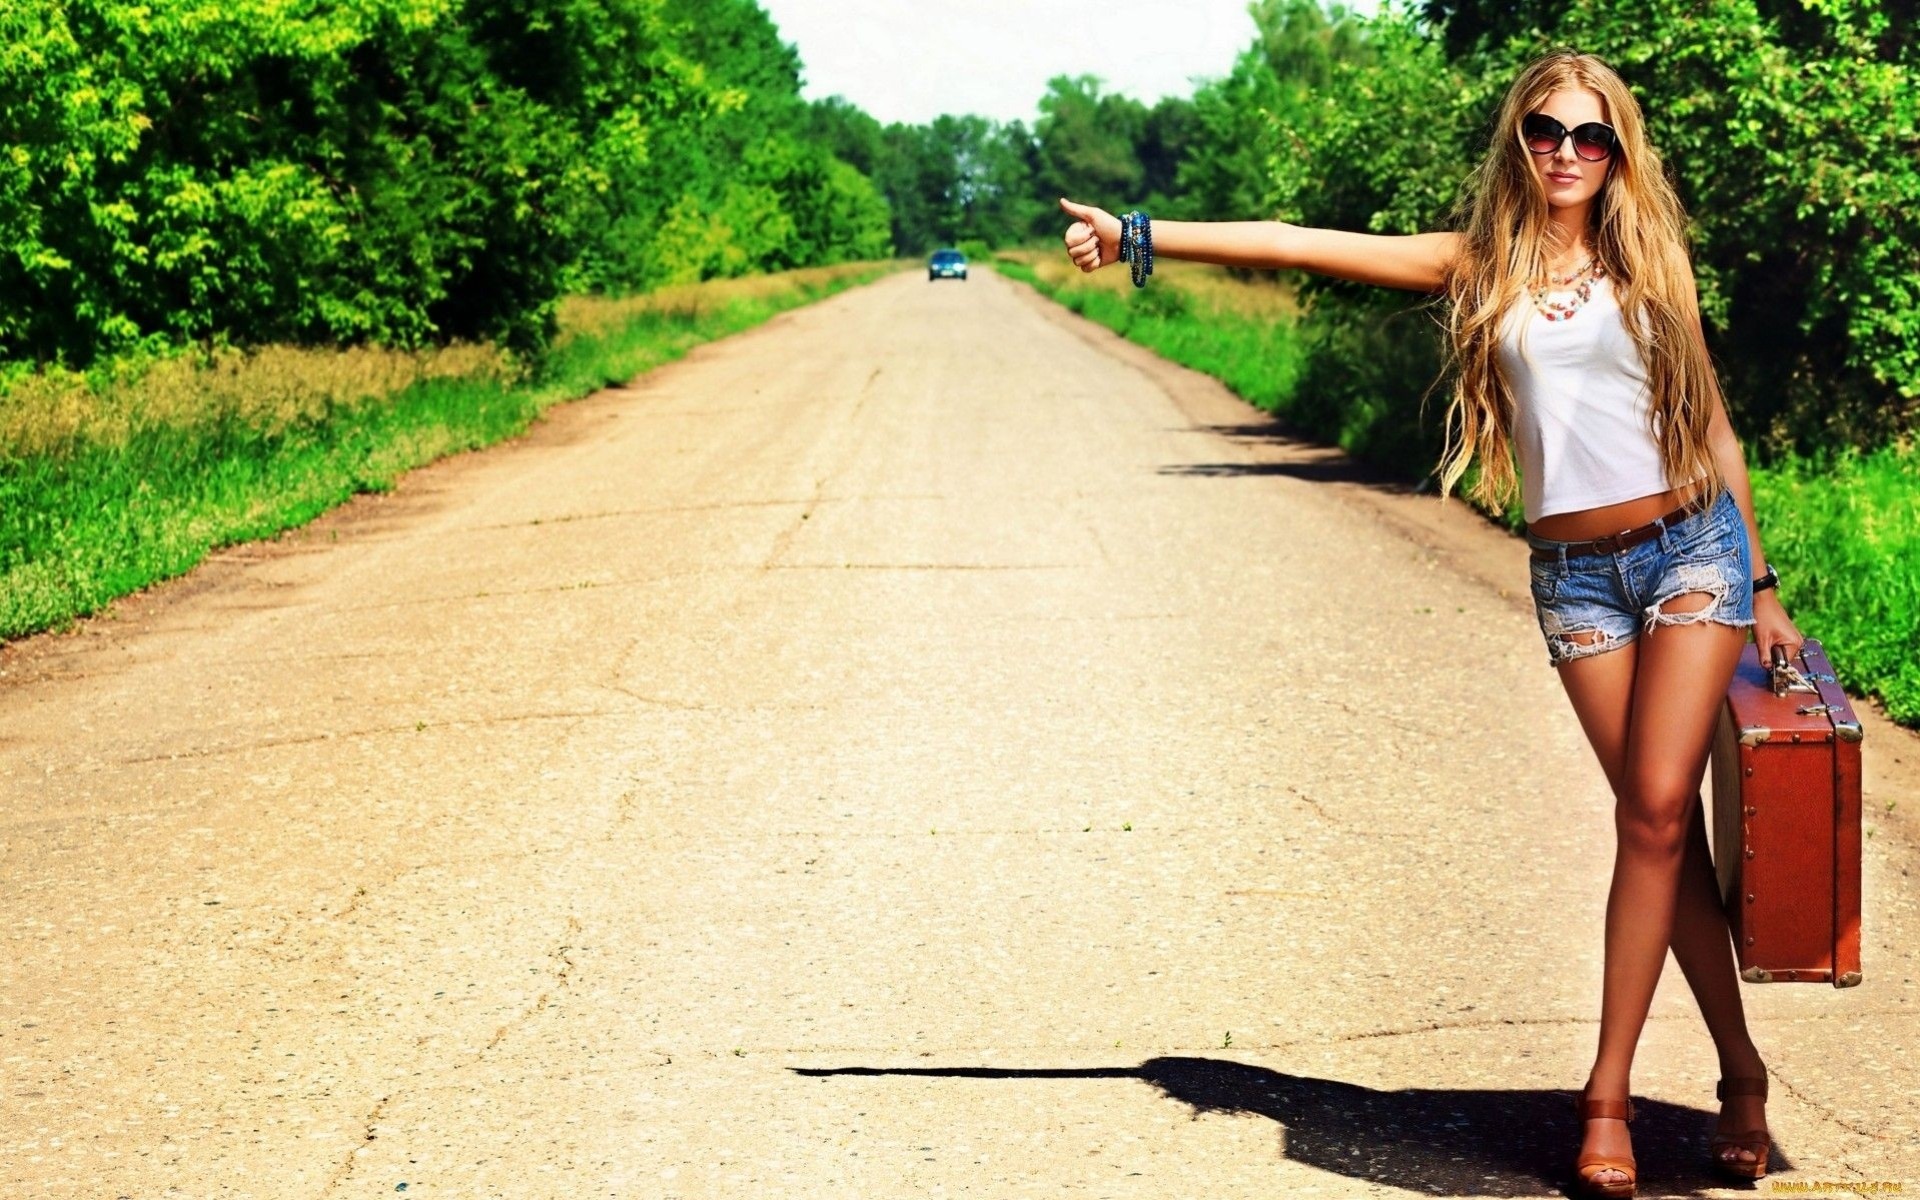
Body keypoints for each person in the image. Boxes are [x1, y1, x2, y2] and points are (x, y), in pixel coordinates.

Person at [1059, 50, 1802, 1200]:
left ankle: (1605, 1096)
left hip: (1691, 552)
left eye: (1590, 136)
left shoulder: (1652, 261)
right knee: (1660, 831)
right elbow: (1298, 240)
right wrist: (1142, 233)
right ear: (1518, 143)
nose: (1566, 152)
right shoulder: (1477, 267)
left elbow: (1711, 426)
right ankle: (1742, 1075)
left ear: (1619, 152)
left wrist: (1760, 588)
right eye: (1545, 132)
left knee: (1654, 814)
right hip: (1576, 575)